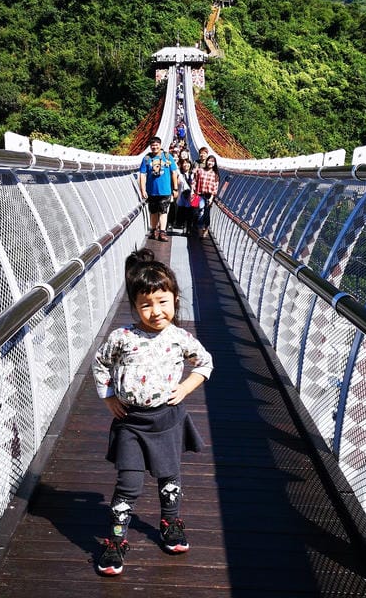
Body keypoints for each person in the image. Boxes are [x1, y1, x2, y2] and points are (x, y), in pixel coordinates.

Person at [92, 252, 214, 576]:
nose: (156, 311)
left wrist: (186, 388)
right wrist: (108, 398)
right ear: (134, 306)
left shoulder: (179, 338)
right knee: (128, 482)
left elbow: (205, 363)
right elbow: (100, 363)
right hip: (131, 422)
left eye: (163, 301)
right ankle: (116, 541)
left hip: (167, 419)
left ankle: (170, 523)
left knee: (169, 477)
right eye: (146, 304)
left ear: (175, 299)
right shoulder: (123, 338)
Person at [138, 137, 178, 241]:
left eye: (156, 145)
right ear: (150, 147)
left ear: (160, 145)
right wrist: (143, 189)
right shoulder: (146, 159)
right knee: (153, 212)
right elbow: (142, 174)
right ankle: (154, 230)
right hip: (151, 191)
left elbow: (174, 172)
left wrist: (175, 189)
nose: (154, 147)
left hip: (165, 190)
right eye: (152, 145)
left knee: (163, 211)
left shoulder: (167, 157)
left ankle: (163, 232)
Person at [193, 155, 220, 239]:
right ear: (206, 161)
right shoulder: (200, 171)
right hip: (200, 194)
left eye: (212, 161)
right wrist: (193, 191)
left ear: (214, 163)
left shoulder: (215, 174)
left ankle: (206, 228)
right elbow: (194, 181)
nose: (210, 163)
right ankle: (200, 230)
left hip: (209, 196)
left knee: (207, 214)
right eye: (209, 161)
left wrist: (212, 197)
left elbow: (215, 187)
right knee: (201, 211)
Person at [172, 159, 196, 234]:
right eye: (184, 163)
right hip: (182, 196)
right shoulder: (179, 174)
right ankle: (183, 226)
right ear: (181, 165)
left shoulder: (194, 174)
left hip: (193, 195)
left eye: (188, 163)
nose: (186, 165)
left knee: (191, 213)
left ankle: (189, 228)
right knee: (183, 212)